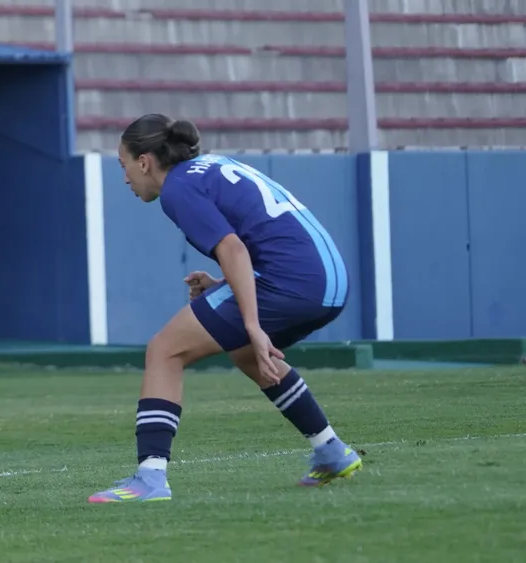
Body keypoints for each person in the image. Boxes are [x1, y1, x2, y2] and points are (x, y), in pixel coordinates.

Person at [88, 114, 362, 504]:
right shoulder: (211, 166)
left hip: (292, 281)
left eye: (124, 165)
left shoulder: (177, 188)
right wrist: (224, 289)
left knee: (165, 350)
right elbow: (263, 238)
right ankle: (331, 451)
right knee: (245, 351)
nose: (125, 178)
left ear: (144, 162)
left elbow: (233, 248)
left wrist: (252, 323)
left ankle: (150, 477)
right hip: (328, 281)